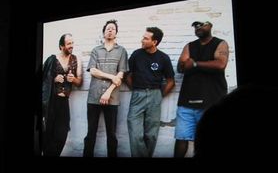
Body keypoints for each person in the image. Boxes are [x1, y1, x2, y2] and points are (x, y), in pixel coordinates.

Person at [173, 21, 229, 158]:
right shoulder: (190, 46)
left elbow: (221, 64)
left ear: (210, 26)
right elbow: (181, 66)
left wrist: (195, 63)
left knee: (210, 140)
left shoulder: (220, 43)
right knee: (181, 137)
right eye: (195, 26)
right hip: (186, 101)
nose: (198, 28)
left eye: (202, 25)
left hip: (212, 101)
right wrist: (186, 65)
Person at [126, 27, 175, 157]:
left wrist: (159, 95)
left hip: (155, 95)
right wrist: (136, 89)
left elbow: (171, 81)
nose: (142, 40)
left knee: (151, 135)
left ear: (155, 42)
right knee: (135, 133)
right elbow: (127, 75)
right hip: (138, 95)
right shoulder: (136, 54)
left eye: (146, 38)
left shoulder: (163, 58)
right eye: (143, 37)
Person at [83, 19, 128, 158]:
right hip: (94, 97)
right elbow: (93, 71)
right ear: (104, 32)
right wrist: (111, 76)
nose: (110, 30)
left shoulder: (122, 51)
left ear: (116, 33)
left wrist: (108, 92)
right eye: (108, 28)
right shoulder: (96, 50)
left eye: (113, 29)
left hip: (112, 98)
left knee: (112, 134)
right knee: (91, 133)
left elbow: (120, 75)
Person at [42, 33, 82, 157]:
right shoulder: (51, 59)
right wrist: (53, 79)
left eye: (72, 43)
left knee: (62, 133)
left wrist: (73, 79)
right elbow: (42, 79)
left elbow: (79, 82)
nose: (71, 46)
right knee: (47, 132)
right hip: (51, 102)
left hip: (64, 102)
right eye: (68, 43)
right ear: (61, 46)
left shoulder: (76, 59)